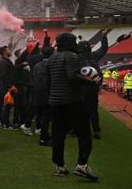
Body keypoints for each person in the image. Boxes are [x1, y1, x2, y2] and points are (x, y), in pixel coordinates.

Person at [47, 32, 98, 181]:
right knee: (84, 134)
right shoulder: (71, 56)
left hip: (55, 102)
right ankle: (82, 165)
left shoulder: (52, 58)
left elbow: (49, 81)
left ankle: (59, 167)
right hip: (72, 101)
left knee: (58, 135)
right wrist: (90, 80)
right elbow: (71, 76)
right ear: (70, 43)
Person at [77, 29, 108, 139]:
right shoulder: (93, 55)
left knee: (79, 110)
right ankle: (96, 130)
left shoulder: (76, 58)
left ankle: (78, 130)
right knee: (93, 110)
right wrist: (104, 36)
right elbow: (104, 48)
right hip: (93, 89)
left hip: (80, 88)